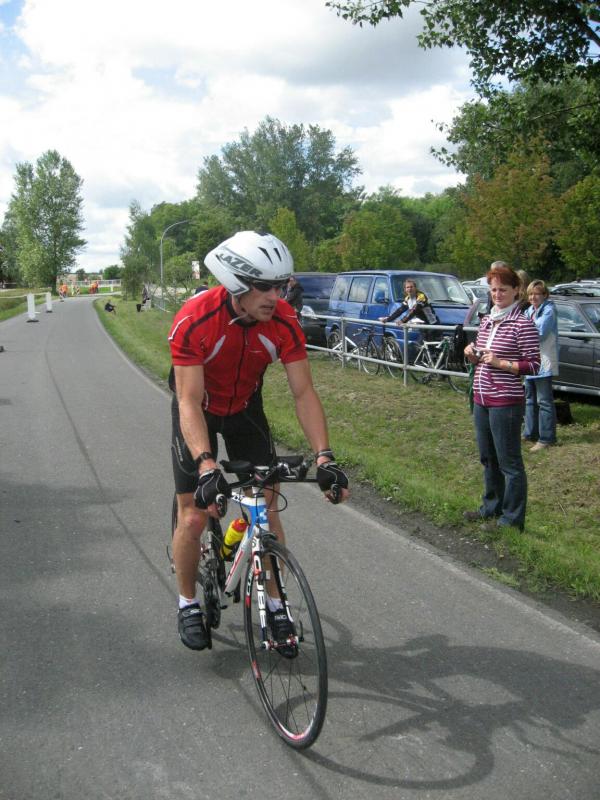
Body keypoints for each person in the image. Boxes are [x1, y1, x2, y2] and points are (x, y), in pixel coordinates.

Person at [168, 231, 350, 651]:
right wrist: (207, 465)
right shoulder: (195, 319)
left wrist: (325, 457)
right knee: (193, 516)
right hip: (199, 407)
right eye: (265, 286)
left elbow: (303, 393)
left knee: (265, 509)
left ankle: (276, 603)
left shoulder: (284, 321)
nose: (276, 295)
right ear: (236, 283)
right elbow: (188, 400)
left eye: (281, 285)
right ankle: (187, 602)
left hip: (245, 409)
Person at [463, 263, 540, 531]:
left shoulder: (523, 324)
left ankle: (512, 519)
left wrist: (502, 363)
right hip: (482, 399)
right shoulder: (487, 320)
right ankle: (491, 507)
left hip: (506, 401)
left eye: (503, 290)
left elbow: (534, 365)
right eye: (493, 290)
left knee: (510, 463)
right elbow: (482, 354)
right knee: (488, 458)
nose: (497, 294)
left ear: (516, 290)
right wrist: (472, 354)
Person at [523, 280, 559, 452]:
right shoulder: (529, 310)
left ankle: (546, 438)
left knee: (544, 401)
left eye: (537, 294)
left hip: (544, 361)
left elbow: (540, 332)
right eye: (530, 294)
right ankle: (530, 433)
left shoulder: (549, 310)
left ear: (545, 295)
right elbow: (522, 330)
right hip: (530, 360)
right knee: (530, 399)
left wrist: (524, 329)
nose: (533, 297)